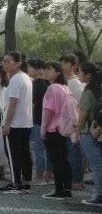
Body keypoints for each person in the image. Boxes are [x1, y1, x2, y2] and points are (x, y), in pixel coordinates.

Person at [0, 52, 33, 194]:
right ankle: (26, 181)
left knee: (13, 154)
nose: (4, 64)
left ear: (18, 63)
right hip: (25, 123)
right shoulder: (25, 77)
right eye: (4, 61)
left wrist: (7, 123)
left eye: (8, 61)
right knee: (24, 153)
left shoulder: (15, 80)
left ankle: (16, 183)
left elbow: (13, 103)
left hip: (15, 123)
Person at [40, 62, 74, 200]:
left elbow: (48, 110)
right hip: (63, 127)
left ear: (58, 72)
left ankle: (58, 189)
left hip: (53, 128)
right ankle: (66, 188)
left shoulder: (52, 88)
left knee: (56, 160)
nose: (46, 71)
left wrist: (43, 129)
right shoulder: (65, 87)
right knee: (64, 159)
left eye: (49, 69)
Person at [75, 62, 102, 206]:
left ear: (88, 75)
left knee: (96, 165)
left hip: (88, 131)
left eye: (80, 72)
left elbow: (83, 114)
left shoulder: (88, 92)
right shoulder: (98, 90)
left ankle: (99, 195)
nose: (78, 74)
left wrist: (77, 131)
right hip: (98, 131)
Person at [61, 54, 85, 190]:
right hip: (66, 123)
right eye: (62, 62)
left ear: (74, 66)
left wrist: (77, 124)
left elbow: (79, 105)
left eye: (66, 62)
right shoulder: (65, 81)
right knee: (69, 152)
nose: (63, 65)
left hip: (74, 122)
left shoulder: (74, 83)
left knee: (74, 152)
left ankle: (77, 181)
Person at [27, 59, 51, 186]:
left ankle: (40, 176)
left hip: (37, 119)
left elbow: (32, 103)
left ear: (39, 69)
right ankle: (47, 175)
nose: (29, 69)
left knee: (39, 149)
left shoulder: (36, 84)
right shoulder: (47, 83)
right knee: (44, 149)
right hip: (46, 119)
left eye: (31, 67)